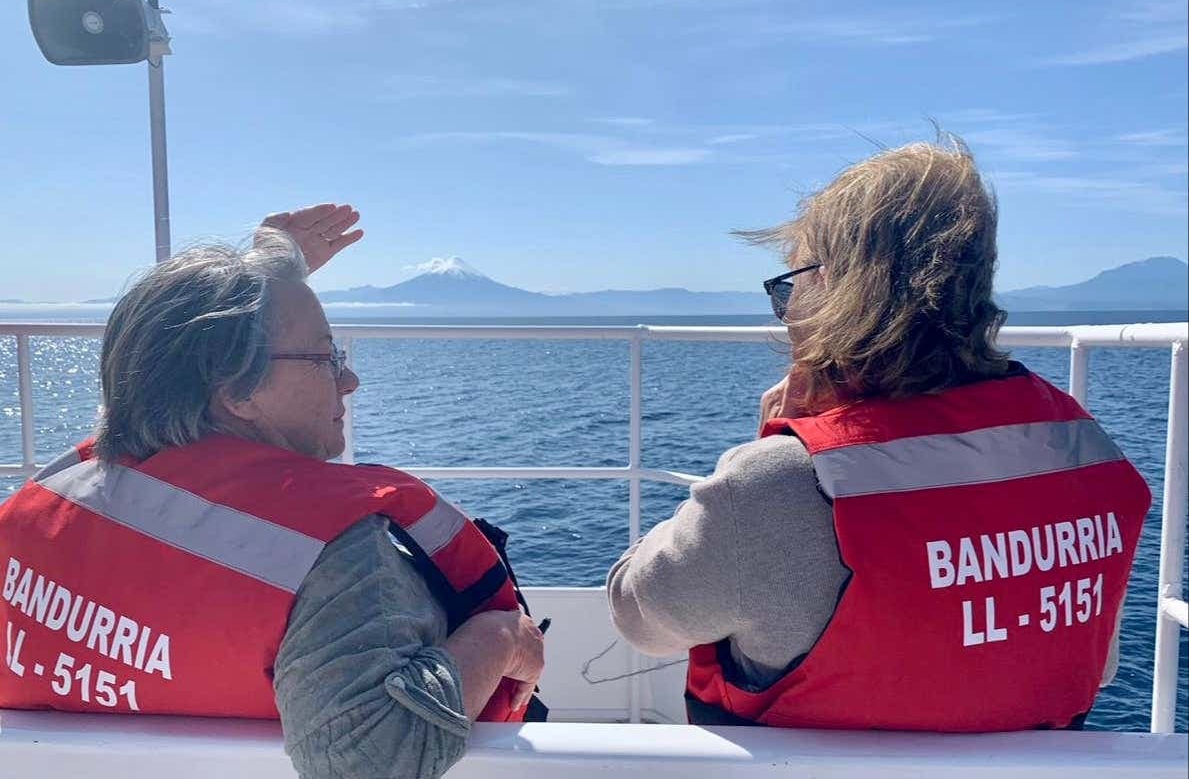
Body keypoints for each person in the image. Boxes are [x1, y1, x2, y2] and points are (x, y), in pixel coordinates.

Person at [606, 139, 1151, 732]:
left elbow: (641, 618)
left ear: (838, 289)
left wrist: (772, 451)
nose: (788, 314)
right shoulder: (1093, 460)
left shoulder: (781, 485)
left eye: (791, 286)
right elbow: (1092, 668)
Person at [0, 204, 544, 779]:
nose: (349, 380)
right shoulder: (332, 556)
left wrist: (271, 269)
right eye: (325, 357)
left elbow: (174, 353)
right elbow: (375, 761)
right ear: (236, 390)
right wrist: (501, 636)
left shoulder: (43, 506)